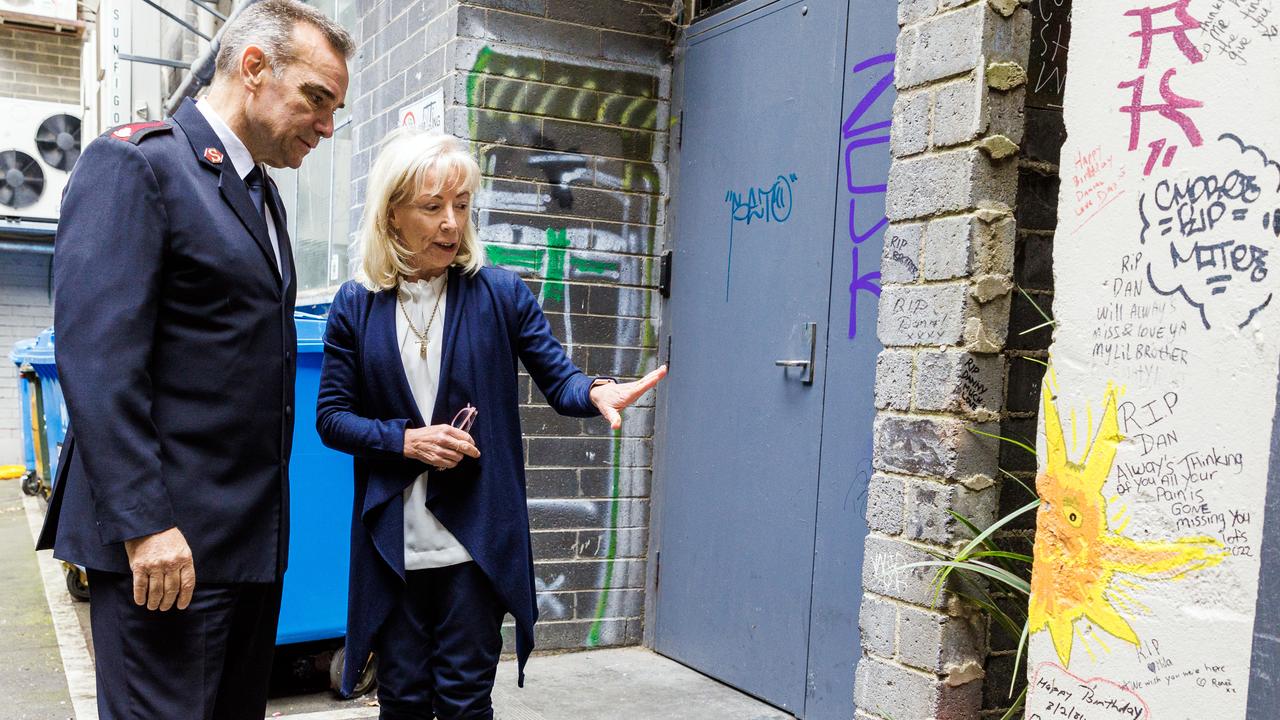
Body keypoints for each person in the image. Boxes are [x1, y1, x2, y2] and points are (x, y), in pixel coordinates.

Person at [36, 1, 352, 716]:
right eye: (317, 99)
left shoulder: (260, 195)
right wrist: (146, 527)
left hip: (245, 549)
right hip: (169, 552)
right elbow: (97, 360)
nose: (328, 126)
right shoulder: (139, 164)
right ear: (252, 68)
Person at [316, 129, 667, 719]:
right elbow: (331, 418)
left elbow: (560, 379)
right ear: (393, 214)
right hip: (392, 545)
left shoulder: (499, 292)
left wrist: (601, 391)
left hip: (474, 541)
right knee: (400, 699)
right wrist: (406, 441)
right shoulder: (356, 305)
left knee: (463, 699)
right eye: (432, 207)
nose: (452, 224)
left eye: (461, 205)